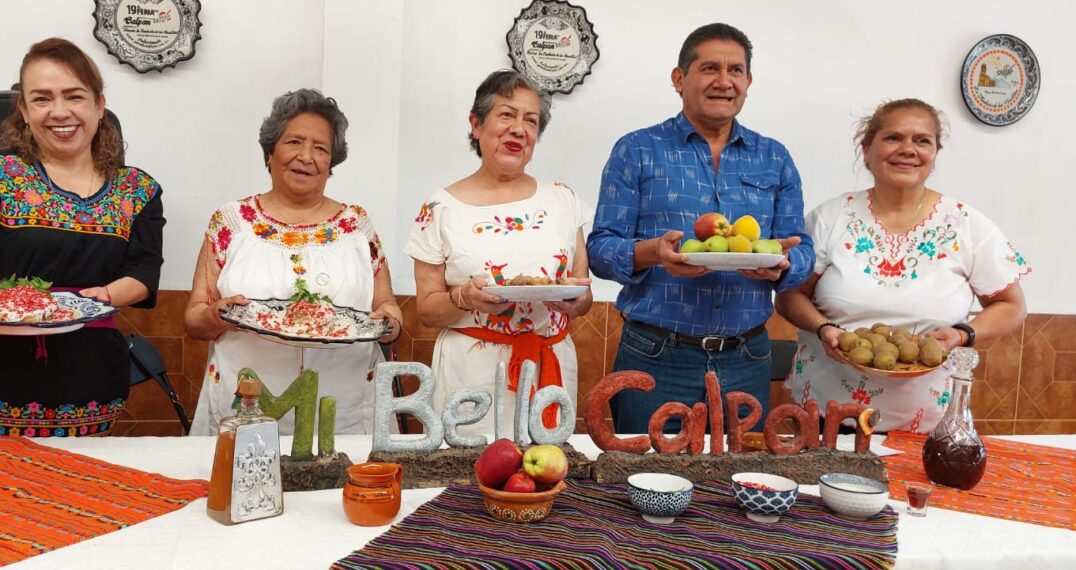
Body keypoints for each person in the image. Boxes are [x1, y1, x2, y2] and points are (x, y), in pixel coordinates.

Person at [587, 23, 813, 434]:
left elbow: (803, 250)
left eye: (736, 71)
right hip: (655, 355)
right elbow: (601, 248)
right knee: (643, 480)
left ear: (748, 81)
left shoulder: (774, 158)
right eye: (710, 68)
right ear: (679, 78)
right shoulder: (636, 150)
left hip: (747, 359)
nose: (724, 81)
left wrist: (782, 264)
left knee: (737, 486)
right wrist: (653, 252)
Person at [0, 38, 165, 437]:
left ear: (99, 104)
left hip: (89, 383)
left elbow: (143, 272)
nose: (60, 112)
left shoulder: (138, 189)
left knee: (78, 497)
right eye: (41, 99)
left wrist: (101, 297)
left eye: (74, 96)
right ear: (23, 110)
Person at [775, 98, 1029, 433]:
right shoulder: (830, 218)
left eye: (922, 140)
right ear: (866, 150)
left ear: (935, 155)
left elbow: (1011, 305)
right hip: (826, 416)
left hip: (925, 422)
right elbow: (790, 296)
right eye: (893, 138)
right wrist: (824, 329)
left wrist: (962, 334)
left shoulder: (966, 224)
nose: (908, 149)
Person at [185, 88, 401, 436]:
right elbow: (195, 318)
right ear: (270, 151)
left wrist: (389, 323)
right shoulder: (232, 222)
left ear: (331, 164)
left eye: (320, 149)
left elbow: (387, 304)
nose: (306, 156)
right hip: (246, 402)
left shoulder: (356, 225)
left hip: (347, 406)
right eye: (294, 142)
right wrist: (216, 315)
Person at [405, 70, 592, 434]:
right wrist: (464, 297)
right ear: (476, 124)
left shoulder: (563, 199)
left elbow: (583, 295)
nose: (519, 129)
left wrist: (574, 301)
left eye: (531, 120)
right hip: (471, 373)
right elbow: (426, 310)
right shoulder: (441, 207)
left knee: (546, 474)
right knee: (469, 479)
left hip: (549, 363)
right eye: (507, 115)